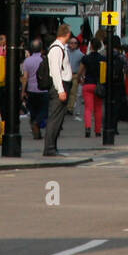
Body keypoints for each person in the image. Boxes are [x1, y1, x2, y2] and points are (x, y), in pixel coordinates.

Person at [43, 22, 73, 157]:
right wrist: (60, 90)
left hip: (63, 85)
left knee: (58, 119)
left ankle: (53, 147)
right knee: (55, 118)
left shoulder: (61, 48)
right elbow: (55, 72)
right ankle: (49, 148)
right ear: (68, 34)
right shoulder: (56, 49)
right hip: (59, 86)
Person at [21, 38, 48, 141]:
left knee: (33, 111)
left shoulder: (27, 61)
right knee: (44, 111)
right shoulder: (44, 60)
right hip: (43, 90)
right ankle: (37, 123)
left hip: (31, 90)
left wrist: (23, 91)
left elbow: (25, 78)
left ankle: (36, 131)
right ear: (41, 48)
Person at [81, 37, 105, 138]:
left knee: (88, 108)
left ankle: (88, 127)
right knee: (98, 109)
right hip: (98, 85)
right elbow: (103, 75)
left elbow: (81, 71)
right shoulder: (102, 59)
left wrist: (80, 78)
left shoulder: (86, 58)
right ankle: (98, 130)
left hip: (88, 84)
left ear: (90, 46)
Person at [67, 34, 85, 120]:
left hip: (75, 75)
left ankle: (70, 108)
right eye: (71, 43)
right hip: (66, 74)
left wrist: (80, 76)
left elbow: (82, 67)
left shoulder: (80, 54)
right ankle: (66, 107)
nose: (72, 44)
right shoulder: (65, 52)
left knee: (73, 92)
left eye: (74, 43)